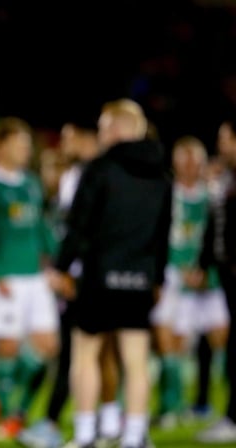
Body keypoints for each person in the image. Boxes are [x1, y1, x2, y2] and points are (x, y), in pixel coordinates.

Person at [50, 99, 172, 448]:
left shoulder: (100, 169)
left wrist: (61, 268)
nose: (101, 135)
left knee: (85, 354)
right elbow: (162, 233)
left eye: (104, 127)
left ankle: (87, 434)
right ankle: (134, 437)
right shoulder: (161, 175)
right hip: (139, 279)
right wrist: (158, 278)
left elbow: (79, 226)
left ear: (118, 129)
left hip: (99, 277)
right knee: (136, 360)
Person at [18, 122, 107, 448]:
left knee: (77, 353)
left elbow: (82, 234)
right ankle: (98, 421)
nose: (50, 174)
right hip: (66, 279)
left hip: (80, 278)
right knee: (76, 353)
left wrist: (66, 272)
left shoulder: (87, 181)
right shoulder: (54, 198)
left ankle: (62, 422)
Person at [0, 117, 59, 440]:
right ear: (0, 146)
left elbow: (43, 229)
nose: (26, 149)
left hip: (36, 278)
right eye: (20, 143)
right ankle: (8, 418)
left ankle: (18, 410)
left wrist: (58, 263)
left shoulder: (31, 184)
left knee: (47, 349)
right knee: (7, 351)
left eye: (27, 143)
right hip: (5, 279)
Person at [150, 136, 230, 429]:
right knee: (168, 340)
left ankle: (213, 403)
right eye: (183, 158)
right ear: (174, 161)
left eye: (194, 158)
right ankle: (171, 406)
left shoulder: (214, 193)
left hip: (206, 277)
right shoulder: (165, 193)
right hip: (172, 274)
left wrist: (204, 269)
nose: (189, 164)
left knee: (220, 336)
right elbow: (157, 237)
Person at [195, 116, 236, 443]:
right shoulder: (225, 179)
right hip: (226, 275)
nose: (220, 146)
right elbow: (216, 226)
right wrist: (204, 261)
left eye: (225, 138)